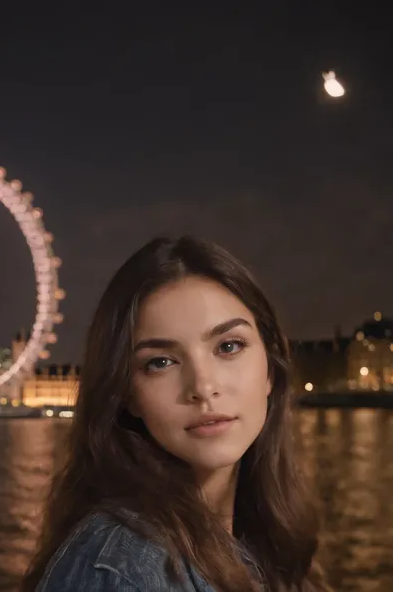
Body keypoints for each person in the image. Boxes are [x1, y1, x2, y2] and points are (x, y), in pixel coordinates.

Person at [22, 235, 329, 592]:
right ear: (126, 394)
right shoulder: (121, 571)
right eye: (161, 362)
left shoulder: (256, 544)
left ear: (270, 371)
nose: (202, 386)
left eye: (228, 346)